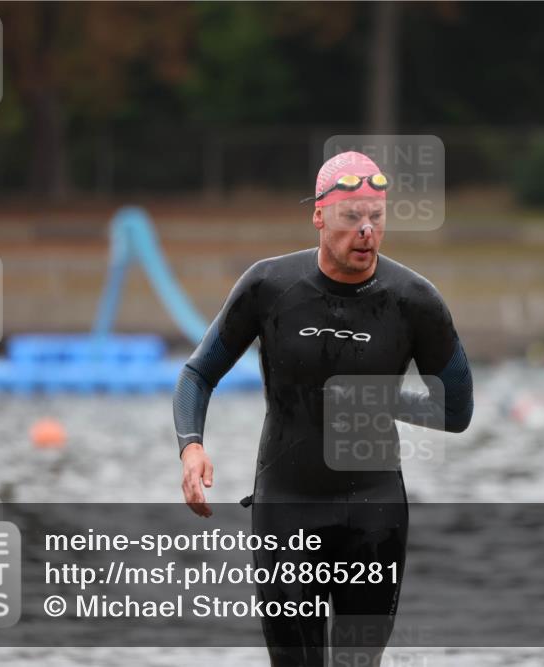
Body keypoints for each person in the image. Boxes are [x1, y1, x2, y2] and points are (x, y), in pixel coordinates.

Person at [172, 150, 474, 665]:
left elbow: (457, 412)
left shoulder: (414, 301)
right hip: (286, 510)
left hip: (374, 515)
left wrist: (379, 398)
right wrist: (191, 448)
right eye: (351, 216)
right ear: (318, 216)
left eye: (376, 217)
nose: (366, 231)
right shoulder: (270, 287)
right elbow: (197, 375)